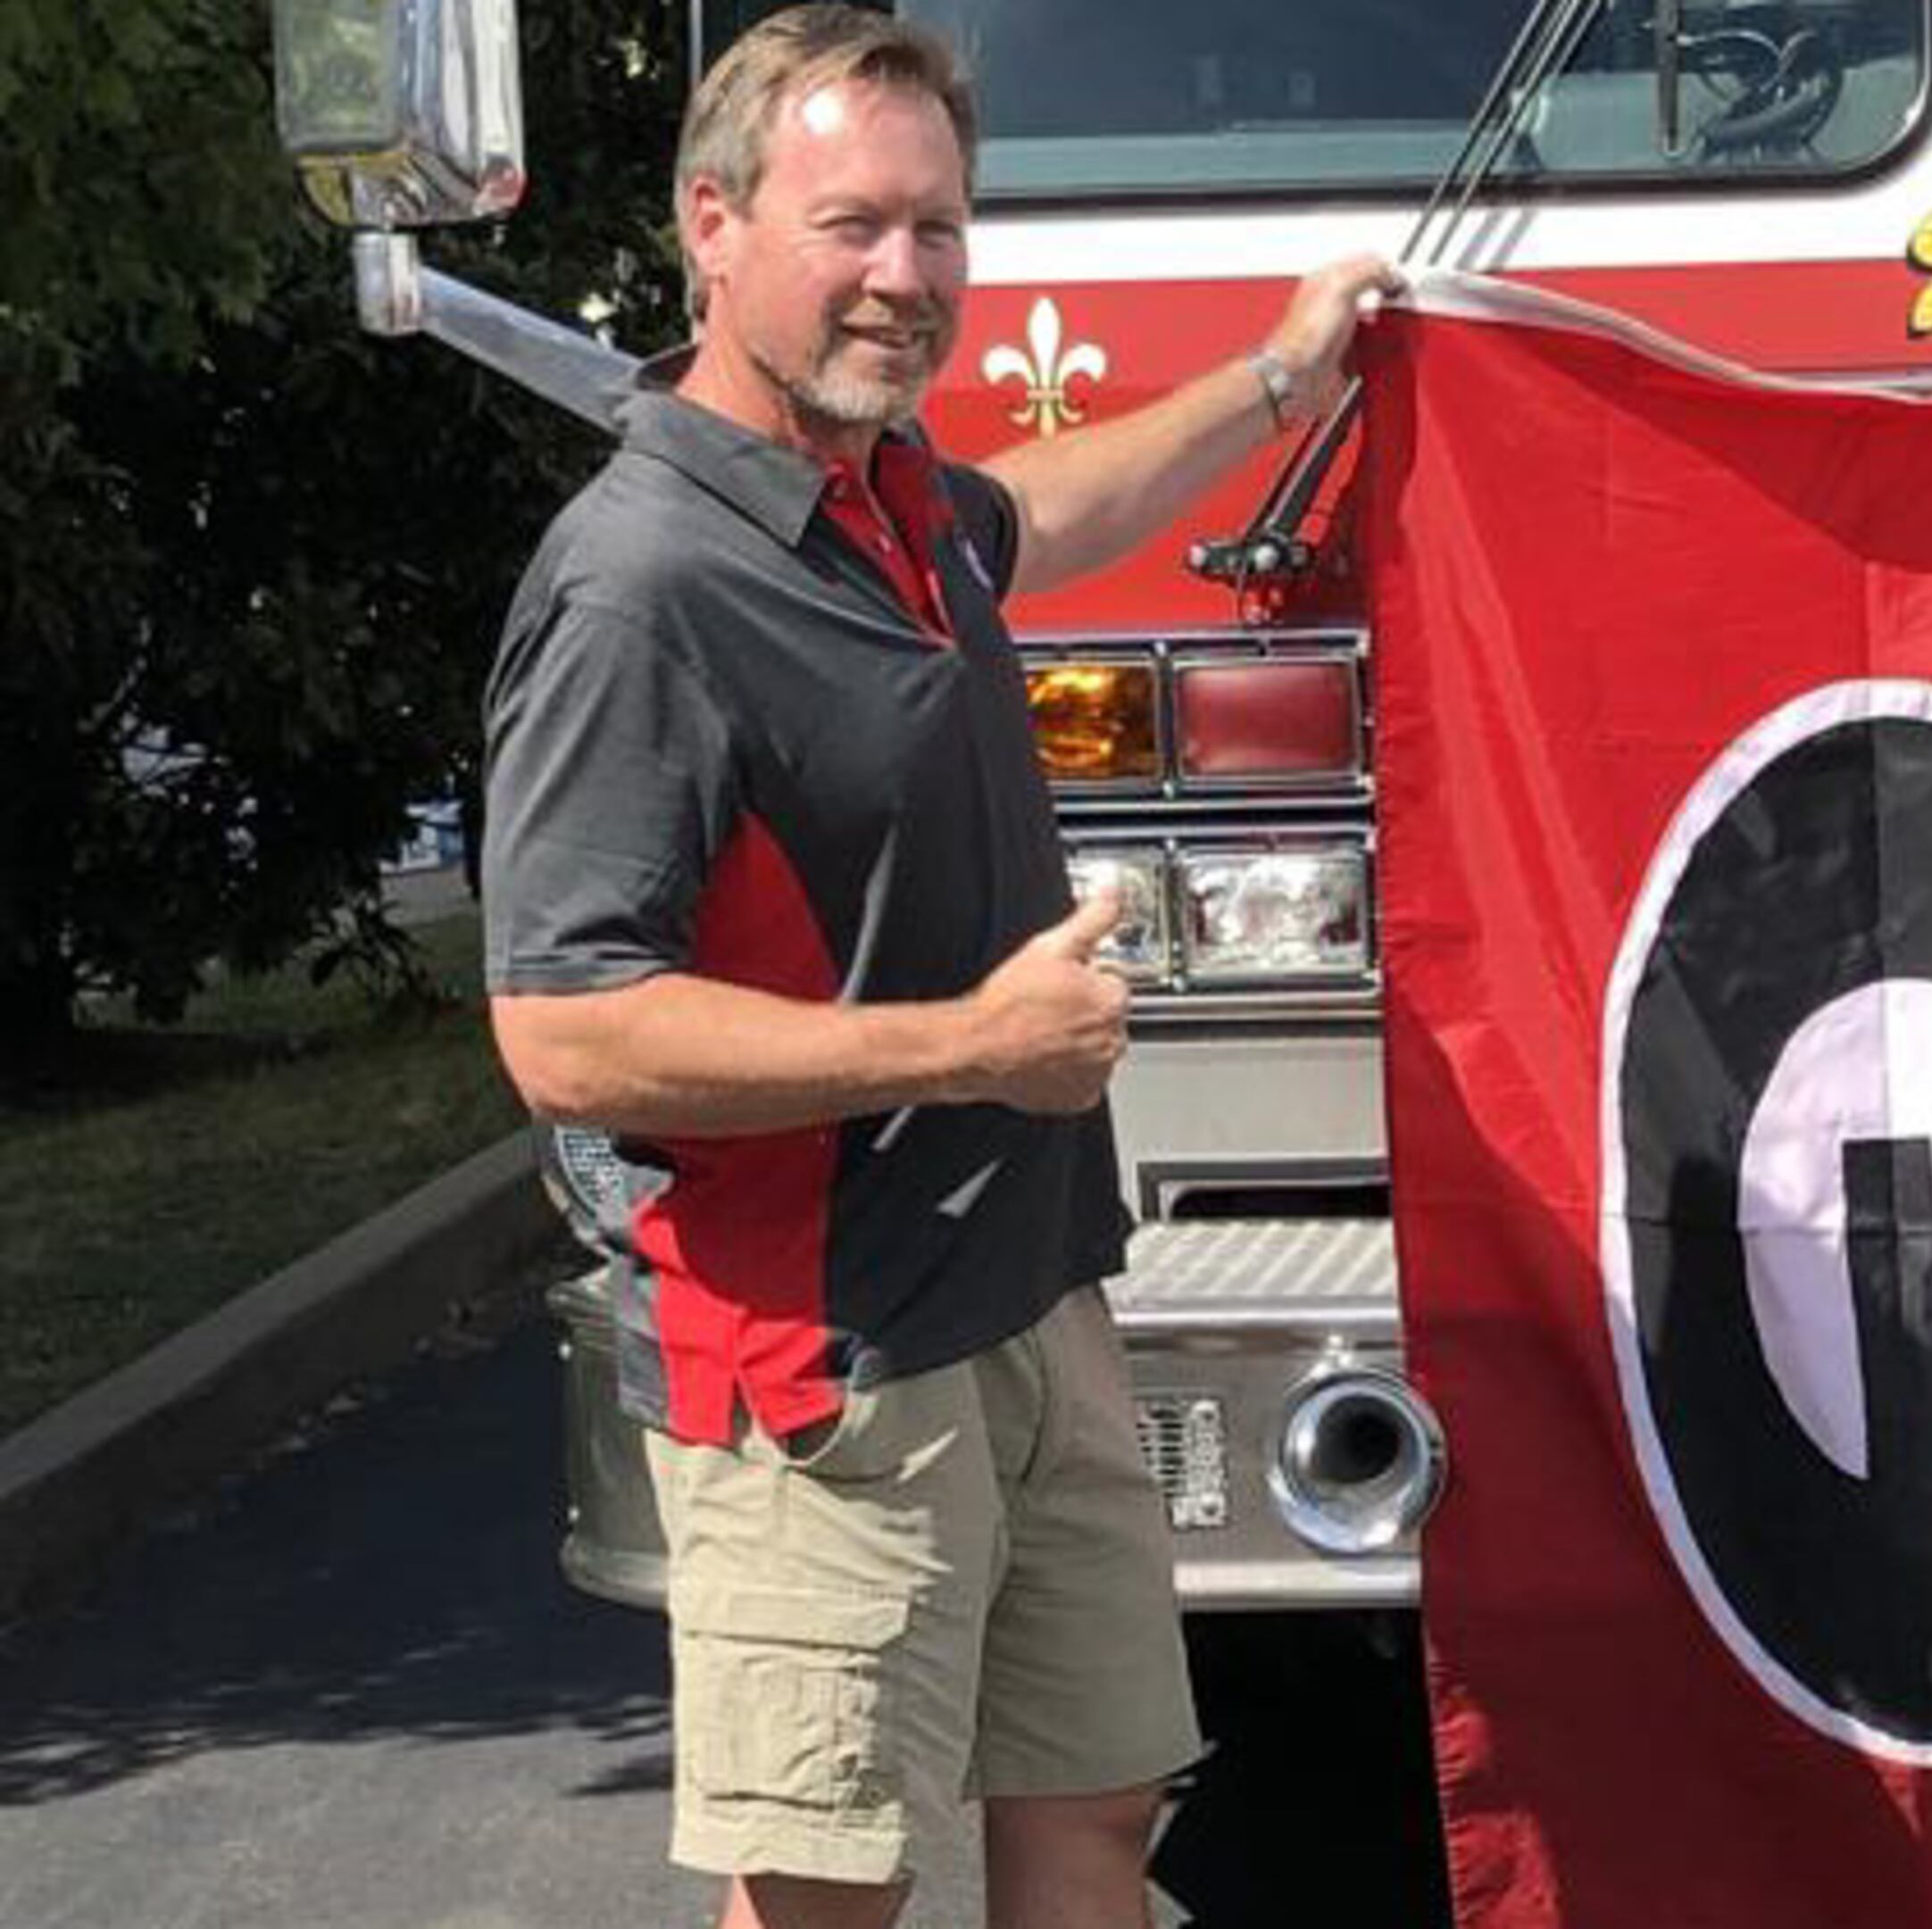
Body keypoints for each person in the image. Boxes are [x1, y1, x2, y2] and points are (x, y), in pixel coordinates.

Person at [477, 9, 1395, 1925]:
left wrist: (1277, 381)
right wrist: (970, 1043)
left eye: (940, 228)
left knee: (1095, 1805)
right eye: (853, 226)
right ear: (711, 226)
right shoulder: (642, 583)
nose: (905, 276)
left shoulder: (889, 502)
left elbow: (1045, 508)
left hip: (1028, 1308)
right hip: (825, 1364)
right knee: (832, 1885)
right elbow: (564, 1026)